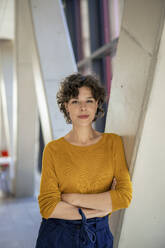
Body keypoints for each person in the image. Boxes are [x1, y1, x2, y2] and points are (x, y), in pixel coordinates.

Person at [35, 73, 132, 248]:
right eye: (75, 101)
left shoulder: (113, 143)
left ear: (97, 104)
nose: (83, 107)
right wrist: (100, 209)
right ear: (66, 107)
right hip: (58, 236)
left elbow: (124, 197)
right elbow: (48, 207)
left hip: (99, 236)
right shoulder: (53, 150)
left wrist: (71, 198)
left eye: (89, 100)